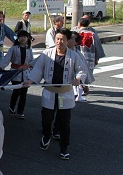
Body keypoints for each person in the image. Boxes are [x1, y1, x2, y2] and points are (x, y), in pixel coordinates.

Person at [25, 28, 87, 160]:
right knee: (46, 119)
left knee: (65, 123)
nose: (60, 42)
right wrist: (30, 80)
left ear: (68, 41)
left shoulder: (74, 56)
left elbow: (81, 70)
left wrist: (77, 78)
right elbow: (38, 69)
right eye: (58, 39)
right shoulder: (47, 53)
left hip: (65, 94)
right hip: (49, 93)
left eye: (63, 39)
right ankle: (46, 135)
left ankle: (64, 148)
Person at [0, 30, 34, 119]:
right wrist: (0, 67)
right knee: (16, 91)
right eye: (21, 36)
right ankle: (12, 107)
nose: (22, 38)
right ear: (18, 38)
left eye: (24, 37)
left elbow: (32, 62)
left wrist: (32, 71)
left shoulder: (29, 49)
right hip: (15, 72)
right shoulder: (13, 48)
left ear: (27, 38)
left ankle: (21, 111)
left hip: (26, 73)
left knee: (24, 93)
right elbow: (6, 59)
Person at [73, 17, 104, 101]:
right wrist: (96, 58)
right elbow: (97, 47)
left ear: (79, 24)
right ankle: (80, 92)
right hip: (89, 57)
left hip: (77, 56)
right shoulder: (92, 34)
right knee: (84, 75)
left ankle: (76, 91)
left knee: (76, 74)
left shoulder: (76, 33)